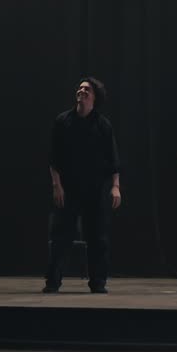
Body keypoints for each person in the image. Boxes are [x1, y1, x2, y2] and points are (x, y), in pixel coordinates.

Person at [45, 77, 121, 294]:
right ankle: (53, 281)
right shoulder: (63, 121)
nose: (81, 91)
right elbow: (53, 158)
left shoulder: (103, 125)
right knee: (60, 237)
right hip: (68, 189)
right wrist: (56, 185)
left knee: (97, 237)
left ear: (95, 97)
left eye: (86, 89)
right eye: (79, 88)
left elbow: (113, 159)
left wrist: (115, 186)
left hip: (95, 190)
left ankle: (98, 283)